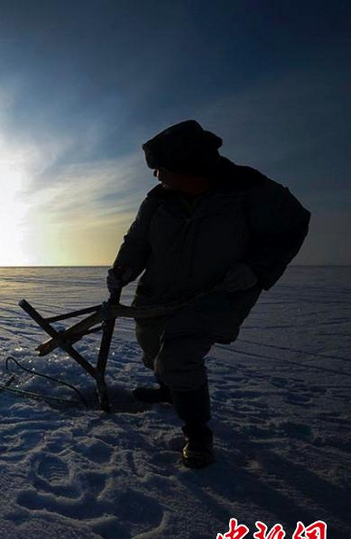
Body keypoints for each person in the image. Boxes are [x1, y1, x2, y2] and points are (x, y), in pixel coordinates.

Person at [107, 120, 310, 468]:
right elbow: (138, 240)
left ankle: (197, 431)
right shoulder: (159, 200)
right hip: (160, 291)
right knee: (152, 345)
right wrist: (122, 270)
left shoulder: (251, 190)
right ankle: (171, 391)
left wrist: (257, 269)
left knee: (178, 357)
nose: (156, 176)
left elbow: (290, 228)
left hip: (216, 293)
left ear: (192, 167)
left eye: (162, 169)